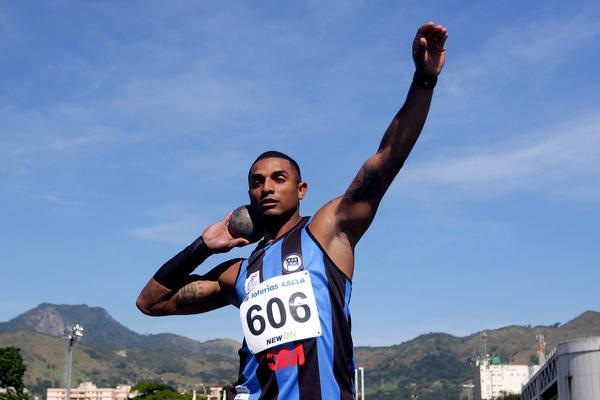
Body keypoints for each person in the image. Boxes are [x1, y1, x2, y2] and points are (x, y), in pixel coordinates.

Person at [136, 21, 448, 400]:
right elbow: (149, 303)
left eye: (278, 178)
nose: (266, 187)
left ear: (301, 190)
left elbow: (388, 158)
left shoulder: (328, 231)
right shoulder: (238, 273)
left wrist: (424, 81)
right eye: (256, 181)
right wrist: (203, 245)